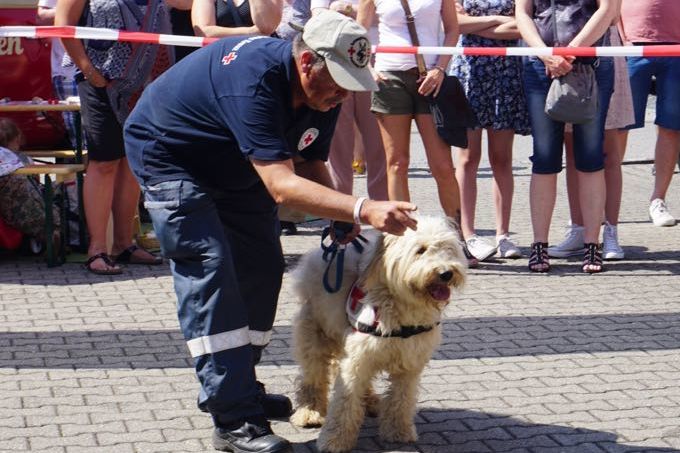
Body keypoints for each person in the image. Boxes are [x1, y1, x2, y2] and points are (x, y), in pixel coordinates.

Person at [123, 10, 418, 453]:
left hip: (235, 162)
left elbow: (310, 159)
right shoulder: (254, 81)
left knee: (263, 266)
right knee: (212, 269)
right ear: (306, 63)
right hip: (172, 156)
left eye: (351, 84)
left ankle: (241, 384)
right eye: (337, 82)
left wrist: (340, 215)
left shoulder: (325, 95)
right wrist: (362, 208)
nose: (342, 95)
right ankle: (234, 419)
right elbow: (281, 187)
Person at [56, 0, 181, 275]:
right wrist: (89, 70)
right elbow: (63, 25)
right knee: (104, 162)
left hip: (146, 83)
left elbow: (184, 4)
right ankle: (97, 249)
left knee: (131, 162)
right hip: (100, 81)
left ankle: (125, 244)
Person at [357, 0, 470, 264]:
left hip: (430, 77)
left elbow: (453, 29)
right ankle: (404, 241)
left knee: (443, 166)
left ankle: (458, 239)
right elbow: (359, 33)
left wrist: (440, 69)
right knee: (396, 163)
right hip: (390, 77)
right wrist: (368, 69)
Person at [516, 0, 618, 273]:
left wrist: (569, 53)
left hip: (591, 64)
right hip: (540, 65)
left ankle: (592, 245)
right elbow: (522, 14)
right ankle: (539, 245)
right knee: (544, 156)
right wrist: (545, 54)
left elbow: (608, 10)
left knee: (591, 155)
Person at [550, 16, 634, 261]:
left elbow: (610, 11)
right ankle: (579, 229)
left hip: (601, 52)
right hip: (562, 54)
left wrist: (569, 52)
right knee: (573, 150)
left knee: (607, 151)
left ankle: (610, 231)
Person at [451, 0, 529, 261]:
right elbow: (457, 24)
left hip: (504, 72)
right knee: (467, 158)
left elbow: (522, 26)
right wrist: (498, 20)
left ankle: (503, 234)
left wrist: (479, 25)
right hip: (469, 73)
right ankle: (467, 234)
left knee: (502, 158)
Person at [312, 0, 388, 201]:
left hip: (375, 60)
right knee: (337, 144)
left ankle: (383, 212)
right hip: (336, 60)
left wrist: (346, 9)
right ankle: (341, 215)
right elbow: (319, 16)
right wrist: (361, 13)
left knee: (379, 142)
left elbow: (388, 15)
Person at [619, 0, 680, 228]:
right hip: (632, 46)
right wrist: (622, 39)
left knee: (671, 127)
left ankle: (658, 200)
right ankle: (604, 202)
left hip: (676, 48)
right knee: (618, 127)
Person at [0, 118, 60, 247]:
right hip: (31, 208)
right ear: (17, 138)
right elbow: (36, 180)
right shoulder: (22, 159)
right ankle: (53, 234)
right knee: (56, 192)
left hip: (7, 212)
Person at [35, 0, 80, 149]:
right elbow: (41, 17)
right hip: (69, 69)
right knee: (80, 131)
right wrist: (77, 8)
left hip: (107, 67)